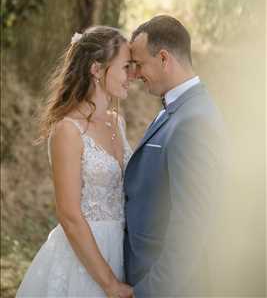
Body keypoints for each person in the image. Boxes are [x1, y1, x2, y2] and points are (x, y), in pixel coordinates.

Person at [16, 26, 133, 298]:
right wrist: (109, 284)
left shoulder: (118, 122)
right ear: (96, 69)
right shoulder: (68, 130)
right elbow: (69, 216)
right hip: (84, 257)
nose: (133, 76)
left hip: (122, 250)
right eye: (126, 67)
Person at [124, 15, 227, 297]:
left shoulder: (194, 121)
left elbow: (192, 223)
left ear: (164, 59)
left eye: (140, 64)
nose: (134, 74)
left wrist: (148, 291)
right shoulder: (178, 107)